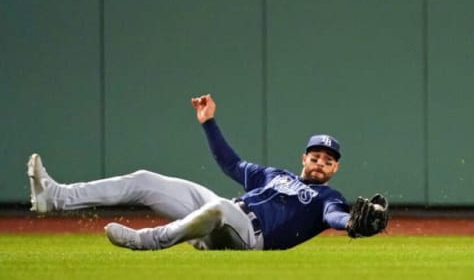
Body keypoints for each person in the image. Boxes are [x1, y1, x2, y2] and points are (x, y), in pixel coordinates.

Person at [27, 94, 388, 250]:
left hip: (249, 238)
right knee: (145, 180)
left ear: (336, 167)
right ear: (304, 157)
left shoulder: (329, 198)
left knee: (220, 210)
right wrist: (209, 123)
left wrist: (351, 224)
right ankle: (54, 197)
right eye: (316, 156)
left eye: (328, 159)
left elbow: (337, 216)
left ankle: (149, 240)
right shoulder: (273, 175)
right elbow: (230, 164)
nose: (321, 162)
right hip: (221, 218)